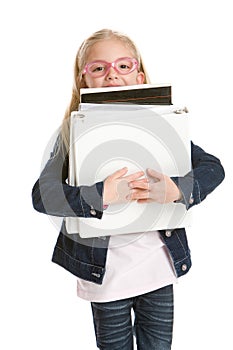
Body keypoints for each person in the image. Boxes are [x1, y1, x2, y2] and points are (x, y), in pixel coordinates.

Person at [32, 28, 225, 350]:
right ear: (84, 82)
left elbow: (213, 168)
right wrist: (99, 196)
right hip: (104, 274)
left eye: (123, 66)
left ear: (140, 74)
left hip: (159, 265)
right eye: (98, 68)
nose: (112, 76)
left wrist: (179, 190)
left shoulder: (165, 125)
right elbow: (42, 195)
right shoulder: (70, 134)